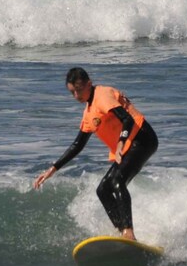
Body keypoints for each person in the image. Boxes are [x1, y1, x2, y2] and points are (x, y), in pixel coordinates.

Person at [33, 67, 158, 241]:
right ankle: (122, 232)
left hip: (142, 138)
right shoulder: (88, 112)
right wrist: (53, 169)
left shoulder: (102, 96)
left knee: (117, 181)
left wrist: (121, 142)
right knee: (103, 190)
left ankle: (129, 233)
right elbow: (78, 145)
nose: (76, 96)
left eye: (79, 90)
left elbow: (127, 119)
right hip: (130, 144)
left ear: (89, 84)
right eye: (72, 92)